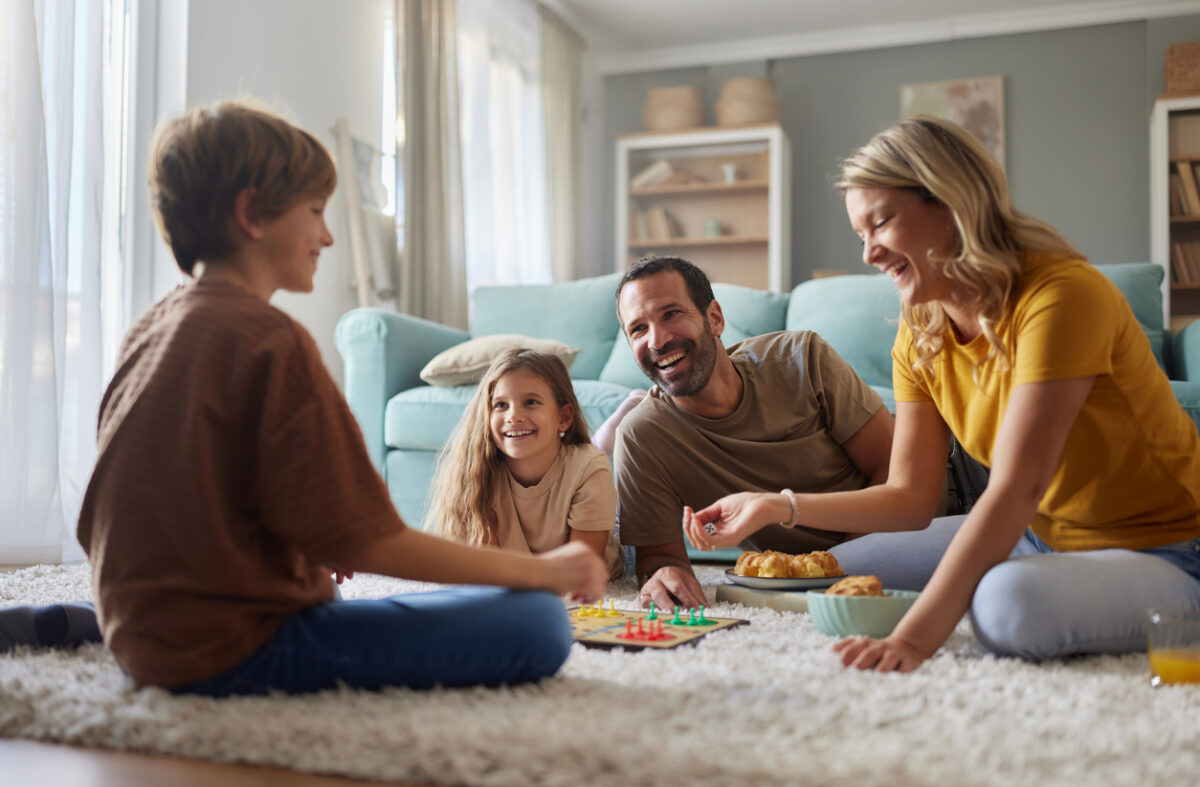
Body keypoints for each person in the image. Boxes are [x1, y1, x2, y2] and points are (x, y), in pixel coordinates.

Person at [0, 99, 606, 696]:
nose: (329, 235)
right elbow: (369, 543)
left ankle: (82, 619)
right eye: (315, 210)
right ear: (252, 214)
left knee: (352, 591)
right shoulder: (270, 340)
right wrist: (541, 571)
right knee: (538, 622)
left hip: (139, 628)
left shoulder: (153, 327)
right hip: (228, 651)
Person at [684, 115, 1200, 671]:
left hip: (1167, 549)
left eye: (881, 223)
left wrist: (913, 639)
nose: (869, 253)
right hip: (1039, 535)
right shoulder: (922, 327)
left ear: (952, 203)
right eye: (860, 234)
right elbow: (912, 496)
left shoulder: (1061, 296)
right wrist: (777, 506)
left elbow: (1016, 488)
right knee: (831, 571)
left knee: (1004, 606)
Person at [613, 255, 897, 611]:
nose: (657, 340)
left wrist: (833, 569)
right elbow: (658, 557)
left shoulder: (802, 360)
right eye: (638, 329)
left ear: (714, 318)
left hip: (949, 492)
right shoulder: (641, 437)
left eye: (671, 314)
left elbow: (893, 469)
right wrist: (663, 574)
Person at [426, 348, 624, 579]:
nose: (513, 416)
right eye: (500, 405)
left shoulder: (589, 468)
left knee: (597, 468)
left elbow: (579, 571)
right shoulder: (477, 472)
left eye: (530, 402)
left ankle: (610, 435)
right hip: (536, 568)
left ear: (564, 418)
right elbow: (476, 570)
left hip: (609, 550)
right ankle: (602, 439)